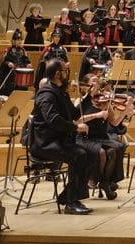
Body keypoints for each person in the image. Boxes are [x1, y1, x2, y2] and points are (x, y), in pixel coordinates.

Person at [29, 60, 94, 215]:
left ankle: (67, 196)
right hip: (44, 144)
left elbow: (75, 114)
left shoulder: (60, 92)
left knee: (91, 154)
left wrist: (88, 96)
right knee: (78, 155)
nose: (67, 74)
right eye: (65, 71)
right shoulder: (46, 94)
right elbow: (53, 119)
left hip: (58, 141)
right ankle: (70, 202)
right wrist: (75, 127)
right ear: (58, 74)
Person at [78, 76, 126, 200]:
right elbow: (76, 120)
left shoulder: (104, 101)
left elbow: (114, 122)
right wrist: (97, 115)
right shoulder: (80, 101)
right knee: (101, 153)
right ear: (86, 85)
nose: (96, 83)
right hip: (85, 138)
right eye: (93, 81)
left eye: (97, 81)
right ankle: (96, 180)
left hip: (101, 137)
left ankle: (105, 182)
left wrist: (126, 109)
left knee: (115, 149)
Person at [0, 30, 30, 96]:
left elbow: (26, 60)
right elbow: (3, 61)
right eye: (18, 40)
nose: (19, 41)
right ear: (13, 41)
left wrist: (28, 64)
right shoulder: (8, 50)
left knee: (20, 91)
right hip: (10, 74)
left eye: (20, 40)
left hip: (20, 74)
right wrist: (8, 63)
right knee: (9, 90)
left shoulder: (23, 50)